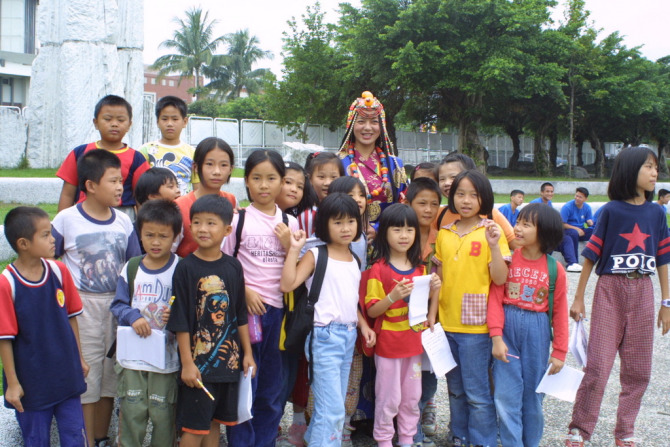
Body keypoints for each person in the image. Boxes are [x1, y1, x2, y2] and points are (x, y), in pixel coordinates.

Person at [565, 147, 670, 447]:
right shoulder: (611, 210)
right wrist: (579, 298)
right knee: (597, 366)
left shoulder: (657, 213)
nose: (654, 173)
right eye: (648, 166)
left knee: (639, 370)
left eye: (656, 167)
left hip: (643, 291)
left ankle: (625, 431)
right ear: (630, 170)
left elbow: (663, 258)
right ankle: (579, 429)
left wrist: (666, 303)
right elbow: (591, 256)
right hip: (610, 289)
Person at [51, 149, 142, 447]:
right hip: (81, 309)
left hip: (116, 306)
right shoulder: (66, 219)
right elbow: (49, 260)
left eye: (121, 181)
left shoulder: (124, 222)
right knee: (86, 376)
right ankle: (86, 440)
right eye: (113, 181)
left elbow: (133, 265)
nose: (120, 188)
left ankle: (101, 438)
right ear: (90, 185)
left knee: (110, 379)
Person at [280, 193, 376, 447]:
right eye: (338, 222)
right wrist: (294, 250)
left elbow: (350, 301)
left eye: (351, 221)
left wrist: (364, 326)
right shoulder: (315, 254)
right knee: (331, 408)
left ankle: (314, 439)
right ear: (324, 224)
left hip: (349, 335)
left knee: (333, 404)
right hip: (324, 336)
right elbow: (288, 284)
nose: (345, 228)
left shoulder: (354, 259)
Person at [222, 149, 299, 447]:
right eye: (256, 178)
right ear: (246, 182)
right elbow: (224, 264)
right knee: (245, 385)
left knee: (270, 388)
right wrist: (244, 291)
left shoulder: (290, 223)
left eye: (271, 178)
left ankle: (265, 441)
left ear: (282, 181)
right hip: (246, 315)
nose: (264, 185)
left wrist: (289, 245)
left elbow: (297, 270)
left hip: (278, 315)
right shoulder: (238, 219)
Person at [167, 195, 256, 447]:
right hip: (198, 368)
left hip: (229, 367)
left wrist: (247, 354)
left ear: (227, 230)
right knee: (194, 428)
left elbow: (240, 314)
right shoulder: (185, 268)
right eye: (197, 222)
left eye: (210, 223)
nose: (202, 229)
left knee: (215, 423)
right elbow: (180, 319)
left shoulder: (233, 267)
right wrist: (187, 364)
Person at [433, 169, 511, 447]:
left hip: (476, 327)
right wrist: (432, 316)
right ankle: (460, 435)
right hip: (446, 323)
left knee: (477, 392)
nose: (466, 200)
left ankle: (482, 440)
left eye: (473, 195)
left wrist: (494, 246)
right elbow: (438, 279)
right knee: (455, 389)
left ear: (484, 198)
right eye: (460, 194)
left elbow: (500, 279)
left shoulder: (491, 231)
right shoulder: (444, 233)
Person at [0, 207, 88, 446]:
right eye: (46, 234)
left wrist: (79, 359)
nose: (53, 240)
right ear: (23, 243)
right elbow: (5, 338)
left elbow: (72, 317)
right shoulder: (7, 284)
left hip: (67, 377)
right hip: (32, 384)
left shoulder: (59, 271)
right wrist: (13, 384)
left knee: (75, 437)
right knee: (36, 440)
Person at [488, 203, 568, 446]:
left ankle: (530, 442)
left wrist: (560, 351)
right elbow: (495, 299)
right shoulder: (508, 261)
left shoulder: (555, 269)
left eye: (526, 224)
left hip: (537, 331)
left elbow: (560, 312)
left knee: (534, 395)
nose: (517, 228)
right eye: (518, 222)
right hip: (507, 328)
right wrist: (496, 337)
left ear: (544, 231)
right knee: (505, 395)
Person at [365, 203, 441, 447]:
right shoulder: (379, 269)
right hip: (388, 346)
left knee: (411, 397)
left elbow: (425, 306)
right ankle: (384, 439)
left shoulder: (419, 268)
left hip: (413, 346)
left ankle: (407, 439)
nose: (404, 235)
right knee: (388, 398)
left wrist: (435, 290)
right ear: (385, 232)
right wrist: (392, 297)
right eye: (397, 229)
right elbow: (372, 310)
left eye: (409, 229)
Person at [110, 199, 182, 446]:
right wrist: (134, 316)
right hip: (133, 358)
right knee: (132, 412)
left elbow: (191, 310)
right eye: (149, 235)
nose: (155, 242)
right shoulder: (131, 268)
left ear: (175, 236)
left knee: (164, 415)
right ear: (139, 234)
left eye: (163, 236)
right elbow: (118, 305)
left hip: (166, 359)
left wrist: (176, 315)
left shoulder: (181, 268)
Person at [327, 176, 370, 445]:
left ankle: (344, 423)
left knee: (352, 375)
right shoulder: (325, 241)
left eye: (361, 195)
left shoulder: (362, 236)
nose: (357, 200)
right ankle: (324, 430)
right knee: (328, 381)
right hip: (332, 319)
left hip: (356, 313)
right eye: (350, 195)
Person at [56, 94, 150, 217]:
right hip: (83, 214)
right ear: (96, 123)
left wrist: (144, 225)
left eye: (120, 120)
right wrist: (60, 224)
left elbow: (141, 197)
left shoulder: (137, 159)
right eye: (107, 119)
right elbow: (68, 193)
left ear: (129, 125)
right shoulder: (79, 153)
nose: (114, 124)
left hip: (121, 214)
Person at [337, 91, 409, 229]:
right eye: (361, 121)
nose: (368, 127)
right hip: (345, 233)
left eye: (374, 122)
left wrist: (377, 230)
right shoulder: (337, 162)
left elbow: (403, 204)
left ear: (382, 126)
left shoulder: (395, 164)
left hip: (386, 234)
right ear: (351, 125)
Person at [405, 177, 441, 447]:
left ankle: (417, 423)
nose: (428, 210)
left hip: (433, 319)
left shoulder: (443, 239)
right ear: (408, 204)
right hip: (403, 318)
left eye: (434, 204)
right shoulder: (401, 235)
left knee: (427, 375)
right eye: (422, 203)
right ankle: (409, 431)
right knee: (407, 378)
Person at [175, 137, 237, 257]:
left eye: (223, 165)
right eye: (209, 164)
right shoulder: (180, 206)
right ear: (196, 167)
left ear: (231, 169)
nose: (217, 171)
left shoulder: (232, 201)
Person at [139, 95, 198, 195]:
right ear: (157, 122)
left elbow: (197, 190)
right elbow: (139, 187)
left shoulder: (193, 153)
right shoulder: (145, 151)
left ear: (184, 122)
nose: (169, 123)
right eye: (164, 119)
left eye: (175, 119)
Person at [558, 187, 594, 273]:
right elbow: (562, 224)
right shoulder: (567, 207)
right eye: (576, 196)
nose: (577, 198)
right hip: (568, 230)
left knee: (596, 231)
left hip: (581, 230)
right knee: (574, 233)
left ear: (585, 199)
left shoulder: (587, 207)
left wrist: (590, 222)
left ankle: (596, 258)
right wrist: (577, 229)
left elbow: (589, 221)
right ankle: (574, 263)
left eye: (580, 197)